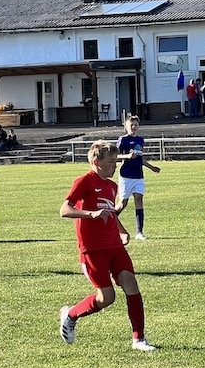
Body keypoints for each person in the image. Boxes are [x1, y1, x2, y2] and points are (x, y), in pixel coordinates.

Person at [59, 140, 156, 352]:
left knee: (131, 284)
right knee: (106, 297)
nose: (115, 165)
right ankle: (71, 314)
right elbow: (64, 210)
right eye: (111, 162)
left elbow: (109, 212)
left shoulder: (112, 186)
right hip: (92, 249)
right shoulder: (84, 181)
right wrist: (90, 214)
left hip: (114, 246)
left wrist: (121, 230)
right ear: (97, 162)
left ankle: (139, 339)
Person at [115, 116, 161, 241]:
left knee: (139, 199)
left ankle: (139, 232)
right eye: (131, 125)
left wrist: (151, 167)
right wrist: (127, 156)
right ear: (126, 126)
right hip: (126, 175)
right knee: (122, 204)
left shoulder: (140, 140)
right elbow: (115, 156)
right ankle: (109, 222)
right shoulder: (123, 140)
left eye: (136, 125)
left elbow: (140, 158)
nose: (134, 127)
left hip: (138, 175)